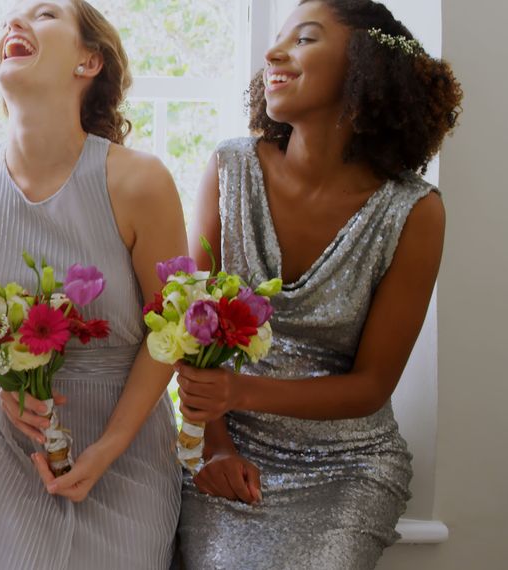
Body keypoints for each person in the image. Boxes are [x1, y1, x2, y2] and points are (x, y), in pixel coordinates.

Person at [175, 1, 462, 568]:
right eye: (277, 38)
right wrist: (216, 444)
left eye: (304, 39)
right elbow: (190, 326)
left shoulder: (413, 211)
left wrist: (239, 392)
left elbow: (371, 385)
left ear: (365, 68)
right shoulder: (229, 169)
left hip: (349, 464)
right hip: (228, 447)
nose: (274, 53)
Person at [0, 1, 187, 567]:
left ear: (89, 61)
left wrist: (108, 447)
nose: (15, 23)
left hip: (127, 448)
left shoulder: (141, 180)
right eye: (8, 17)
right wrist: (8, 389)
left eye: (44, 14)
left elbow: (176, 323)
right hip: (9, 449)